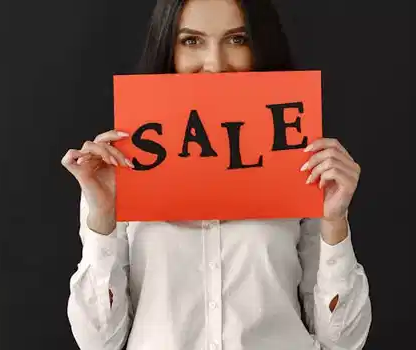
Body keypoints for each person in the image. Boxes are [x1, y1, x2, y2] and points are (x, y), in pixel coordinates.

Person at [61, 0, 371, 349]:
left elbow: (343, 341)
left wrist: (334, 222)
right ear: (169, 49)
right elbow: (97, 342)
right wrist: (102, 215)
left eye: (237, 39)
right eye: (192, 41)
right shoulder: (120, 169)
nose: (215, 65)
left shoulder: (299, 158)